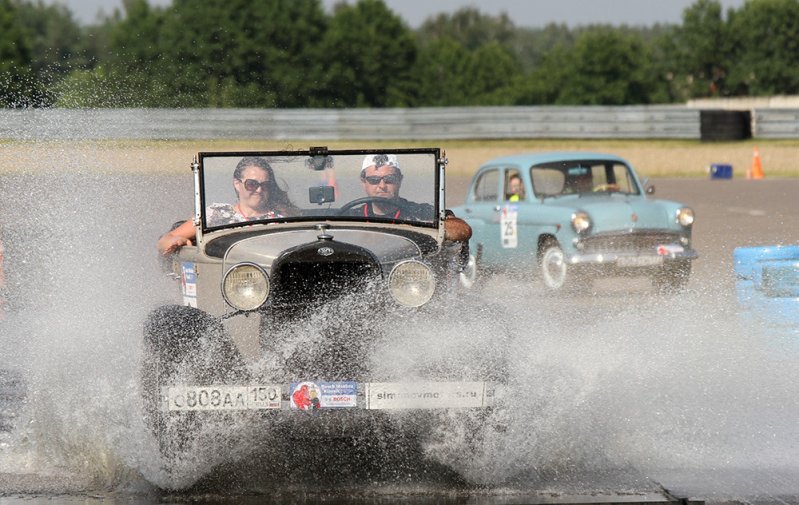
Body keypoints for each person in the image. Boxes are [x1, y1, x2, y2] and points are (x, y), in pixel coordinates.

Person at [157, 156, 295, 255]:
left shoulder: (282, 220)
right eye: (252, 184)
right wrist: (176, 240)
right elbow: (164, 241)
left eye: (265, 185)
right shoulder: (214, 214)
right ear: (237, 184)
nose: (259, 190)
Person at [355, 154, 472, 242]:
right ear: (363, 182)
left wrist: (418, 228)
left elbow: (463, 229)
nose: (382, 186)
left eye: (389, 179)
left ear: (399, 180)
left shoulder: (418, 212)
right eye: (374, 180)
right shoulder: (349, 215)